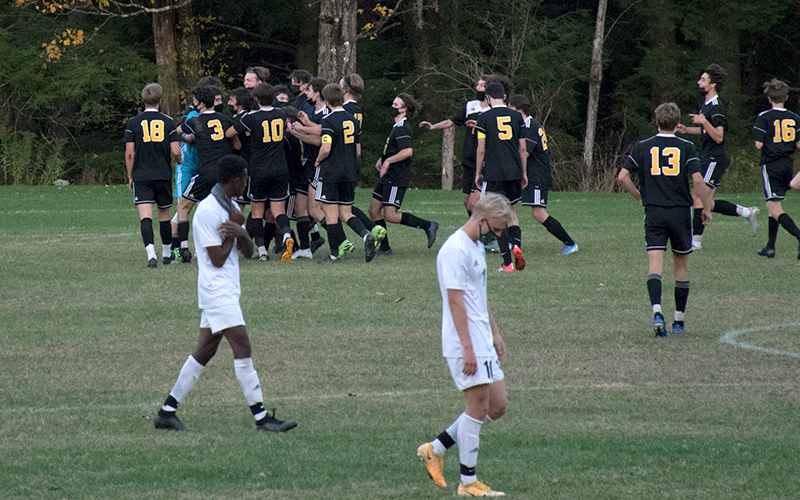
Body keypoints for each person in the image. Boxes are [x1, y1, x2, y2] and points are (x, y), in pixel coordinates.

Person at [154, 155, 297, 433]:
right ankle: (262, 418)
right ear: (234, 180)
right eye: (244, 178)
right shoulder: (208, 211)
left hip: (227, 288)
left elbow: (249, 252)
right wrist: (234, 231)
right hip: (216, 290)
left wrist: (240, 230)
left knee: (204, 352)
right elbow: (217, 258)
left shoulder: (231, 207)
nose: (246, 183)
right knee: (242, 347)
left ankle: (166, 412)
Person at [417, 192, 511, 497]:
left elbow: (478, 295)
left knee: (496, 406)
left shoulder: (475, 246)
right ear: (482, 221)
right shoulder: (454, 250)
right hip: (464, 342)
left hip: (482, 337)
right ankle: (468, 483)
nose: (498, 236)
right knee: (477, 407)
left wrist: (495, 332)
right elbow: (456, 302)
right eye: (496, 229)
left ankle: (435, 448)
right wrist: (468, 348)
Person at [618, 102, 713, 337]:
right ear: (676, 121)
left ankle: (657, 311)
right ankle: (678, 320)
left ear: (657, 121)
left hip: (654, 212)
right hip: (680, 212)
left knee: (655, 266)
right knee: (681, 266)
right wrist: (706, 207)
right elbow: (699, 181)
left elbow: (622, 176)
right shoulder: (687, 147)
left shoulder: (643, 147)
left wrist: (639, 195)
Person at [676, 64, 759, 250]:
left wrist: (704, 121)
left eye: (703, 80)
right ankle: (747, 212)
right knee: (707, 202)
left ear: (712, 84)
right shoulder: (706, 104)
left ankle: (695, 243)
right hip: (707, 157)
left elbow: (719, 136)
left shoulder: (716, 107)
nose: (699, 82)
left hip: (715, 158)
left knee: (697, 197)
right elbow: (707, 131)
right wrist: (687, 129)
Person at [227, 83, 295, 262]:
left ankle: (262, 250)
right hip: (280, 168)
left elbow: (230, 132)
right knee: (278, 210)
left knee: (257, 211)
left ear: (256, 98)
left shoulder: (251, 117)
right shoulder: (281, 114)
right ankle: (287, 235)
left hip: (259, 170)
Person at [368, 93, 439, 254]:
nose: (392, 107)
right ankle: (384, 248)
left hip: (396, 177)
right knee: (373, 210)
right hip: (388, 176)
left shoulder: (403, 128)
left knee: (391, 216)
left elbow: (407, 151)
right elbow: (395, 149)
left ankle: (428, 225)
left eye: (396, 105)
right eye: (392, 104)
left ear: (404, 109)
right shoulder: (396, 127)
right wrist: (382, 158)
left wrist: (388, 161)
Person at [175, 86, 240, 262]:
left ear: (201, 103)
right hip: (224, 174)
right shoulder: (225, 120)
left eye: (195, 101)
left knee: (183, 207)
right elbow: (238, 145)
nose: (194, 104)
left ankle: (183, 249)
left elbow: (177, 132)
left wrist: (189, 140)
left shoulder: (195, 121)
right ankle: (227, 247)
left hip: (205, 172)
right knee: (223, 212)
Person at [508, 94, 579, 255]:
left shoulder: (530, 126)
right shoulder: (524, 125)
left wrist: (519, 171)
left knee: (539, 214)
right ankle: (512, 243)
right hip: (531, 175)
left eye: (510, 109)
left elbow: (524, 152)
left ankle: (570, 243)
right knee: (509, 207)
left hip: (537, 175)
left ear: (518, 110)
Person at [124, 83, 182, 267]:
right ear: (160, 100)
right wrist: (179, 160)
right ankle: (166, 253)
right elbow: (175, 149)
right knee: (164, 214)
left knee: (145, 216)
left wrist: (130, 176)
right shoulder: (168, 121)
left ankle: (151, 255)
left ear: (143, 100)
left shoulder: (133, 123)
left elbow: (129, 153)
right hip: (162, 174)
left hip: (142, 175)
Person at [475, 82, 528, 272]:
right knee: (512, 212)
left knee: (496, 218)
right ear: (504, 97)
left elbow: (481, 149)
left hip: (494, 172)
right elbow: (522, 148)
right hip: (513, 171)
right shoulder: (516, 116)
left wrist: (478, 172)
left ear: (488, 98)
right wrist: (523, 172)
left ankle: (507, 264)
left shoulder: (484, 117)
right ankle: (516, 245)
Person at [419, 76, 490, 217]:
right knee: (467, 202)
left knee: (475, 203)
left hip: (484, 159)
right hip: (469, 157)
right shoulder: (470, 106)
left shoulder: (494, 109)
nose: (478, 88)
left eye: (482, 85)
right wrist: (433, 126)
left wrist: (479, 125)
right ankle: (477, 230)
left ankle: (481, 232)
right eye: (478, 85)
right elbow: (451, 121)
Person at [752, 78, 800, 259]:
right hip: (788, 164)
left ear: (769, 99)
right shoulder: (795, 118)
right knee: (772, 205)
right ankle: (770, 247)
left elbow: (758, 144)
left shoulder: (764, 117)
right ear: (786, 97)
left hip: (771, 165)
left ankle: (799, 236)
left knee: (774, 209)